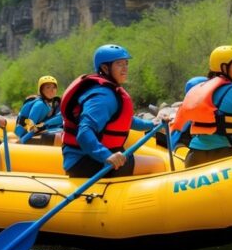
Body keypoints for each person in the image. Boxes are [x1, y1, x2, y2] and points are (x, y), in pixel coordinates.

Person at [60, 44, 165, 178]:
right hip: (85, 161)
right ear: (105, 68)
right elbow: (84, 132)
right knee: (157, 165)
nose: (125, 68)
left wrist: (152, 124)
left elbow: (126, 120)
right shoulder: (102, 96)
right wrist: (106, 156)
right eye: (119, 64)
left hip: (93, 156)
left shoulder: (110, 91)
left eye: (126, 63)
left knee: (131, 157)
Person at [14, 75, 63, 146]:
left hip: (37, 133)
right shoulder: (39, 105)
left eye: (54, 87)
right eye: (48, 87)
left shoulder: (53, 103)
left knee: (61, 132)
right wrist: (21, 141)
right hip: (25, 136)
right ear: (41, 90)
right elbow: (30, 128)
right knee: (57, 136)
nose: (52, 90)